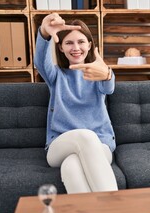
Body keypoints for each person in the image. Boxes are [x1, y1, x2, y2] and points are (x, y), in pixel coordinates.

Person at [34, 13, 118, 194]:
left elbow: (108, 87)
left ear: (89, 44)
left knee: (71, 167)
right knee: (86, 136)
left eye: (81, 42)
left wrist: (107, 73)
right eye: (69, 43)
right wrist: (44, 32)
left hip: (100, 145)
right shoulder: (56, 76)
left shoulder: (97, 73)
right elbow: (40, 61)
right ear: (61, 48)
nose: (76, 47)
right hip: (59, 145)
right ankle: (115, 208)